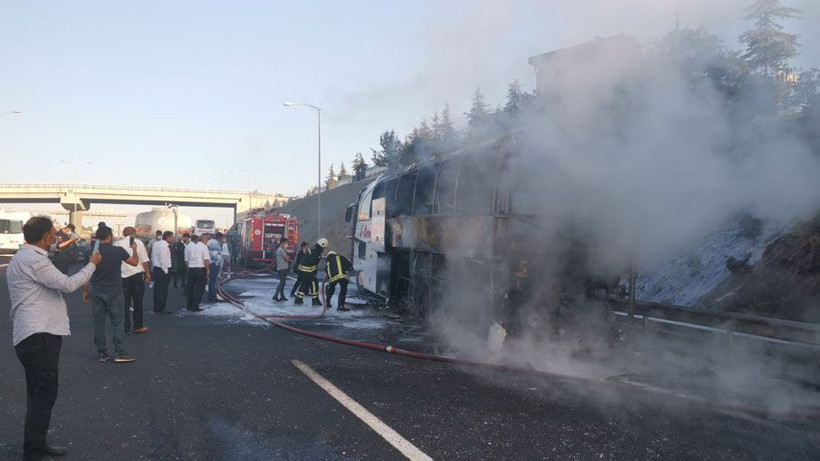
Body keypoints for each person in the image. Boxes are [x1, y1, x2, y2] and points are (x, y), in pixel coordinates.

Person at [7, 216, 102, 461]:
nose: (56, 237)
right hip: (39, 335)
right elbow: (67, 284)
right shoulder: (34, 260)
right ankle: (34, 451)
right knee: (44, 392)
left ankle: (37, 444)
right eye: (53, 233)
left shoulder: (25, 257)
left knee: (38, 393)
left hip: (35, 334)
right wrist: (91, 264)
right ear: (46, 236)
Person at [82, 225, 139, 363]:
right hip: (114, 291)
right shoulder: (118, 251)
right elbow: (134, 262)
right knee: (117, 322)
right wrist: (135, 250)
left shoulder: (92, 252)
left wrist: (85, 291)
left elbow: (87, 272)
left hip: (97, 291)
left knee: (99, 323)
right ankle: (120, 352)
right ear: (109, 237)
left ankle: (102, 353)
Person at [115, 227, 150, 335]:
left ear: (123, 234)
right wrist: (147, 274)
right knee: (138, 302)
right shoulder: (138, 242)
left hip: (121, 276)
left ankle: (125, 327)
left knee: (123, 303)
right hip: (136, 276)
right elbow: (144, 260)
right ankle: (137, 326)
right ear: (134, 233)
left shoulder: (117, 244)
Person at [294, 238, 327, 306]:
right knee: (314, 283)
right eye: (323, 248)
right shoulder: (316, 252)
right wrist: (314, 272)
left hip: (302, 269)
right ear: (321, 246)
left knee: (304, 283)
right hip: (307, 270)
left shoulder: (314, 248)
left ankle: (298, 299)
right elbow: (312, 263)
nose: (324, 249)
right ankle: (315, 301)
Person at [185, 234, 210, 312]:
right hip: (200, 269)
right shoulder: (204, 247)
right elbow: (206, 260)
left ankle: (189, 305)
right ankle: (195, 306)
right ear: (204, 240)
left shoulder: (190, 247)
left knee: (190, 288)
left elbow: (186, 260)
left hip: (191, 269)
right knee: (200, 289)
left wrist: (188, 269)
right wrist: (208, 270)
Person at [151, 231, 174, 314]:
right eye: (172, 237)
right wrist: (166, 271)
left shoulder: (156, 244)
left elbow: (153, 256)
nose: (172, 239)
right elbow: (163, 259)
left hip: (156, 268)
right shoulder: (164, 246)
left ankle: (157, 307)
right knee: (163, 290)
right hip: (162, 269)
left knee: (157, 290)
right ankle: (161, 308)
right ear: (167, 237)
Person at [272, 237, 291, 301]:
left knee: (283, 282)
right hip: (282, 268)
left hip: (283, 268)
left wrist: (287, 257)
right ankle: (275, 295)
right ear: (283, 243)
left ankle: (282, 296)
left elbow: (286, 258)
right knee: (282, 283)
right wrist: (288, 257)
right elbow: (287, 259)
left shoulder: (282, 250)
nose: (287, 244)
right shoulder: (281, 250)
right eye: (286, 243)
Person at [206, 232, 223, 302]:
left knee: (211, 281)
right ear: (220, 237)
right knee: (213, 281)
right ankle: (213, 296)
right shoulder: (215, 243)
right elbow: (215, 254)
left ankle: (211, 296)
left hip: (210, 263)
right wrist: (217, 260)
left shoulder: (210, 242)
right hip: (214, 264)